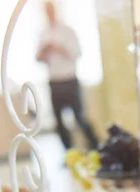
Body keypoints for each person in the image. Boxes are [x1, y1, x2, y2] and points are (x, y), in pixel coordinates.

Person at [37, 2, 98, 150]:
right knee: (59, 122)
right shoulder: (43, 33)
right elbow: (38, 58)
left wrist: (59, 48)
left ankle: (95, 146)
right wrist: (45, 51)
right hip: (54, 82)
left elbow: (77, 53)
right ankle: (69, 153)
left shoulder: (68, 31)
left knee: (80, 118)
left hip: (69, 80)